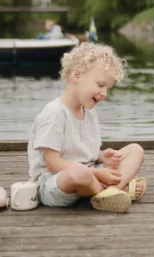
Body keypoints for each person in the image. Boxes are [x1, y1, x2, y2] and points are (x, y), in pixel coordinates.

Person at [28, 42, 147, 213]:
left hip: (89, 172)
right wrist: (97, 174)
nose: (104, 93)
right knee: (79, 172)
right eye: (100, 85)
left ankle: (111, 191)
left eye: (108, 88)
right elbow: (53, 163)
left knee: (136, 150)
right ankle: (112, 190)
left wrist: (101, 156)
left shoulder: (88, 110)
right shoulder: (54, 113)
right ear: (76, 75)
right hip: (55, 181)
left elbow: (79, 149)